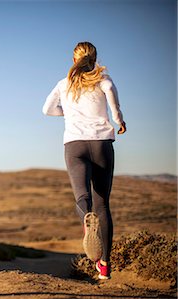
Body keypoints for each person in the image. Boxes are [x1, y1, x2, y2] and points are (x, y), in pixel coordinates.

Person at [42, 41, 126, 280]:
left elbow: (47, 109)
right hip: (101, 144)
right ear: (95, 58)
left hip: (75, 145)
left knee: (82, 196)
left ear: (73, 59)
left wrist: (68, 113)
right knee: (103, 204)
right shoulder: (105, 80)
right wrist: (120, 123)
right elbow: (115, 108)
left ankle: (87, 221)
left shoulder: (63, 83)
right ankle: (104, 267)